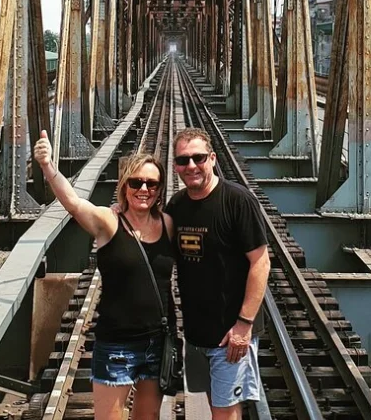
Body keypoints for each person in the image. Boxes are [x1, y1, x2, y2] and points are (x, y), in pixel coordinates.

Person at [33, 130, 175, 420]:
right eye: (136, 182)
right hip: (117, 345)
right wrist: (48, 166)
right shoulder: (109, 222)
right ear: (124, 186)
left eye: (152, 184)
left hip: (157, 343)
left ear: (160, 189)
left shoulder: (168, 224)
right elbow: (73, 203)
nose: (144, 189)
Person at [165, 128, 270, 420]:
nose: (191, 166)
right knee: (216, 406)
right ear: (175, 166)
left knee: (225, 413)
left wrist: (244, 325)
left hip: (230, 333)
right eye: (183, 160)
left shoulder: (238, 201)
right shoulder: (177, 205)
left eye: (198, 158)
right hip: (197, 334)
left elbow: (261, 263)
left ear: (212, 158)